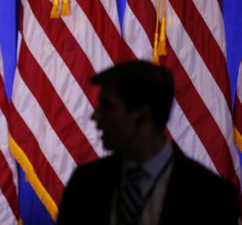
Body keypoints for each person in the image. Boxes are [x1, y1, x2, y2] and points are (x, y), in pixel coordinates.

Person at [56, 60, 239, 225]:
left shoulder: (211, 196)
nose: (95, 116)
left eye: (107, 106)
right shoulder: (85, 185)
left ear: (142, 115)